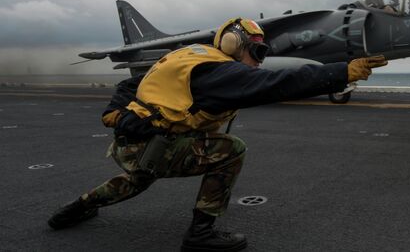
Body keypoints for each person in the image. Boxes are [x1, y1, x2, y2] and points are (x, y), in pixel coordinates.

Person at [48, 17, 387, 252]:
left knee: (138, 179)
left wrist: (115, 113)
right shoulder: (219, 71)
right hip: (152, 145)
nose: (259, 60)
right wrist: (340, 72)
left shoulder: (189, 57)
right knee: (231, 150)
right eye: (256, 52)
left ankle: (78, 207)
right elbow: (276, 84)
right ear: (233, 43)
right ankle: (201, 234)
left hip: (133, 144)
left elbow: (129, 83)